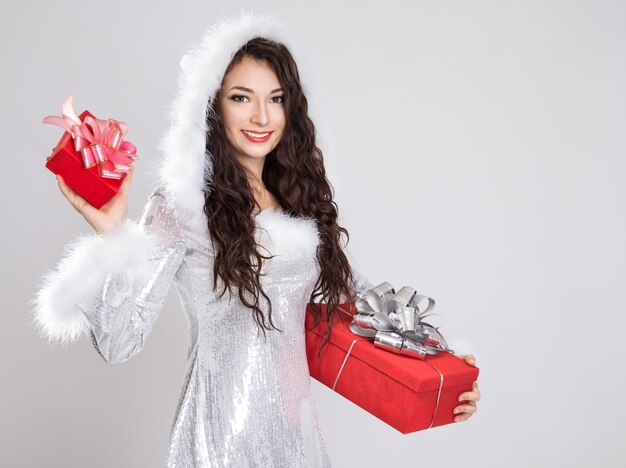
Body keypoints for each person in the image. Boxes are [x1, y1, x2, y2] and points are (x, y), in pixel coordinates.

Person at [32, 12, 480, 468]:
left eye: (276, 99)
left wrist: (443, 371)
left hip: (294, 437)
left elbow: (364, 302)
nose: (262, 116)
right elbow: (118, 340)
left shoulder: (299, 206)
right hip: (217, 439)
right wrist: (112, 235)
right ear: (213, 105)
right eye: (241, 97)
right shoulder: (183, 206)